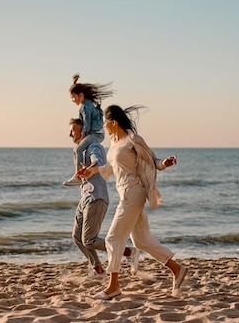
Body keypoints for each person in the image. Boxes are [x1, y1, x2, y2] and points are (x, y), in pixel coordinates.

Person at [78, 105, 188, 300]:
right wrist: (92, 171)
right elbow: (114, 168)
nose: (104, 126)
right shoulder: (114, 143)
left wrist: (165, 164)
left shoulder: (133, 140)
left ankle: (113, 286)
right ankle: (177, 269)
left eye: (105, 122)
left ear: (114, 122)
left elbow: (153, 161)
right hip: (125, 193)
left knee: (112, 238)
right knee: (141, 240)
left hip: (133, 193)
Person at [68, 117, 140, 277]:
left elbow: (97, 161)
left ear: (84, 129)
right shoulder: (81, 150)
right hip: (85, 197)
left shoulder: (94, 146)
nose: (70, 134)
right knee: (77, 237)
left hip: (96, 197)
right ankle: (98, 270)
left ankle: (129, 252)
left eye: (73, 130)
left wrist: (91, 167)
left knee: (89, 240)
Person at [63, 74, 114, 186]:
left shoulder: (86, 107)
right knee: (77, 148)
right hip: (95, 133)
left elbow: (87, 123)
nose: (72, 100)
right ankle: (79, 173)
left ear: (81, 95)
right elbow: (77, 92)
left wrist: (82, 136)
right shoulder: (86, 103)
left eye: (73, 97)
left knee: (78, 149)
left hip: (95, 134)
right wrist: (74, 84)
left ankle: (77, 176)